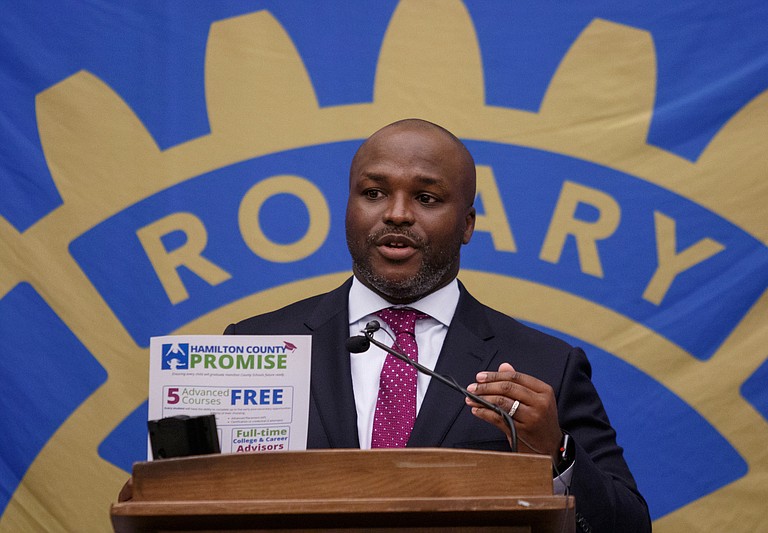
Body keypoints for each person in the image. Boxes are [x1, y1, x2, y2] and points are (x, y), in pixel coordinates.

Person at [224, 118, 651, 532]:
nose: (396, 214)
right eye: (373, 193)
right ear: (348, 207)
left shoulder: (545, 365)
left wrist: (556, 452)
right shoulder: (254, 346)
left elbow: (629, 527)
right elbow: (193, 501)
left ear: (467, 225)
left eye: (426, 199)